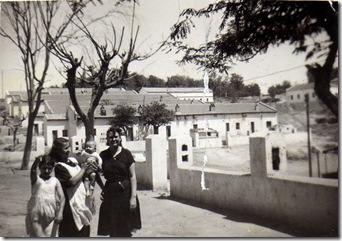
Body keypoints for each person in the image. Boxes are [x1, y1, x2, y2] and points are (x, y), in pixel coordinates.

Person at [97, 127, 141, 237]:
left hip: (125, 195)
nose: (113, 139)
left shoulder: (126, 154)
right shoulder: (103, 155)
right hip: (110, 196)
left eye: (116, 136)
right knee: (112, 229)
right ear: (107, 139)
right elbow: (96, 173)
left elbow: (132, 176)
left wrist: (133, 197)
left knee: (125, 228)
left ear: (120, 138)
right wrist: (103, 188)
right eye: (110, 137)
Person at [49, 137, 96, 237]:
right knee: (74, 232)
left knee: (84, 228)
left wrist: (90, 173)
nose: (69, 150)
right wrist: (83, 169)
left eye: (69, 147)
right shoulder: (59, 167)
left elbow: (84, 174)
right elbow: (72, 182)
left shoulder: (72, 160)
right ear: (58, 151)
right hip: (70, 205)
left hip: (80, 201)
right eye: (65, 148)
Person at [25, 155, 65, 237]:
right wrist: (36, 161)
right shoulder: (36, 179)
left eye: (49, 168)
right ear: (39, 168)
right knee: (37, 236)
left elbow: (62, 197)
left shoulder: (55, 181)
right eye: (43, 168)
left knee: (50, 235)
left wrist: (60, 212)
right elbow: (32, 171)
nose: (46, 171)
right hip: (36, 212)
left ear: (52, 168)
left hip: (51, 213)